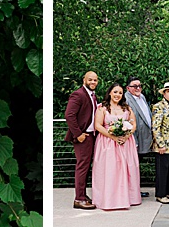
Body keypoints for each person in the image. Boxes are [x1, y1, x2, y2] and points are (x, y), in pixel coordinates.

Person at [91, 83, 142, 211]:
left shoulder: (126, 108)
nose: (117, 95)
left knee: (127, 169)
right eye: (115, 92)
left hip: (125, 143)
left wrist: (126, 136)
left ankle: (128, 198)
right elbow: (98, 125)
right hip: (107, 143)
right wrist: (113, 137)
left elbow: (133, 124)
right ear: (109, 93)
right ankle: (108, 199)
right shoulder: (102, 108)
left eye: (120, 93)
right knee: (110, 170)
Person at [63, 71, 100, 209]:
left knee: (86, 166)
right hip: (83, 137)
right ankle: (79, 199)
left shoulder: (92, 95)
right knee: (82, 167)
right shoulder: (78, 94)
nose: (93, 82)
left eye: (95, 80)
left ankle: (83, 195)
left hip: (91, 135)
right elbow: (69, 115)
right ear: (84, 80)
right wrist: (78, 134)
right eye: (90, 79)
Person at [127, 78, 157, 199]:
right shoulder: (126, 99)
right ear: (128, 88)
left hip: (145, 138)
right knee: (131, 167)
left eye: (139, 85)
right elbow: (127, 122)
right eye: (134, 86)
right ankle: (131, 192)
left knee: (137, 166)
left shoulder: (142, 97)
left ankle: (135, 191)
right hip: (134, 139)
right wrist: (134, 141)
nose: (138, 88)